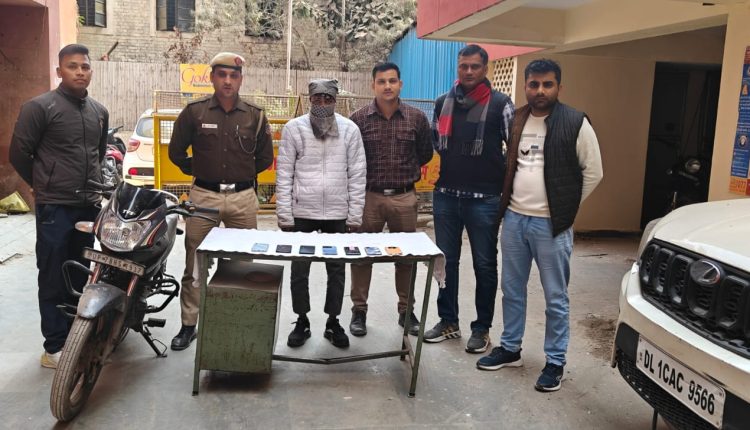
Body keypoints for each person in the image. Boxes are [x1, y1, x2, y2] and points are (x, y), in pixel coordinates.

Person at [476, 59, 603, 393]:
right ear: (526, 87)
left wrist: (564, 208)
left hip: (552, 226)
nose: (540, 90)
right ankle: (510, 348)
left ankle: (555, 361)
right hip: (515, 220)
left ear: (559, 87)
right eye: (534, 84)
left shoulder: (576, 122)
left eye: (548, 84)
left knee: (555, 297)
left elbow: (593, 172)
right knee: (512, 289)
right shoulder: (517, 118)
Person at [9, 44, 109, 369]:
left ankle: (74, 338)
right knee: (53, 273)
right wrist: (41, 184)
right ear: (59, 71)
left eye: (85, 66)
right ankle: (54, 346)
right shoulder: (39, 107)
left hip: (88, 205)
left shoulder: (98, 112)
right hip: (55, 208)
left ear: (91, 71)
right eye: (72, 66)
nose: (80, 72)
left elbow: (98, 153)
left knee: (80, 273)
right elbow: (18, 154)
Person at [168, 52, 274, 351]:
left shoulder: (255, 115)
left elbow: (264, 157)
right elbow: (176, 152)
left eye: (234, 75)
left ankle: (237, 321)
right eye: (222, 75)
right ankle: (189, 325)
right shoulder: (195, 112)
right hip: (203, 197)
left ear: (241, 79)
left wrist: (240, 176)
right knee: (195, 264)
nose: (228, 81)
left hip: (242, 199)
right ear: (212, 77)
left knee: (242, 264)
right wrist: (201, 170)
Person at [423, 44, 514, 354]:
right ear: (458, 68)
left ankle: (482, 328)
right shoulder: (441, 103)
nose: (469, 71)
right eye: (464, 66)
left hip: (484, 199)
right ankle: (448, 321)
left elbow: (514, 148)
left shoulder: (501, 104)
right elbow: (437, 144)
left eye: (475, 66)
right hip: (447, 197)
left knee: (485, 265)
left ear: (485, 69)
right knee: (445, 262)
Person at [276, 79, 366, 349]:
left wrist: (354, 215)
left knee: (337, 270)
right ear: (310, 99)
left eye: (328, 99)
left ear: (335, 100)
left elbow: (357, 174)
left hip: (338, 212)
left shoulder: (349, 130)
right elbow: (284, 173)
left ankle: (333, 322)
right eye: (317, 98)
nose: (323, 103)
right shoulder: (294, 128)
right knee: (299, 269)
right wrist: (285, 214)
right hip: (303, 210)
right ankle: (302, 320)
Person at [348, 62, 434, 337]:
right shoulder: (358, 119)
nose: (387, 86)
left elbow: (425, 154)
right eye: (382, 81)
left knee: (405, 257)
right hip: (368, 198)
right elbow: (351, 158)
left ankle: (406, 312)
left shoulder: (416, 118)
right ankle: (359, 311)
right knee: (362, 256)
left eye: (392, 81)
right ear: (373, 85)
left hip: (403, 198)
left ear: (400, 84)